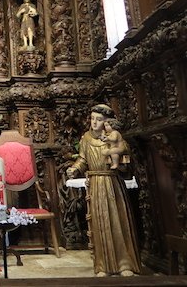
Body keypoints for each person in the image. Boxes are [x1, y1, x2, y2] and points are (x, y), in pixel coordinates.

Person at [66, 105, 140, 277]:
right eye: (92, 119)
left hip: (113, 183)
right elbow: (83, 159)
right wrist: (75, 169)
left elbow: (126, 158)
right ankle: (102, 266)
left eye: (99, 119)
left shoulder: (115, 138)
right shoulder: (86, 138)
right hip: (96, 184)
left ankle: (124, 264)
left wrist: (121, 164)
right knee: (100, 225)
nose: (94, 122)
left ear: (107, 122)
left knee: (117, 222)